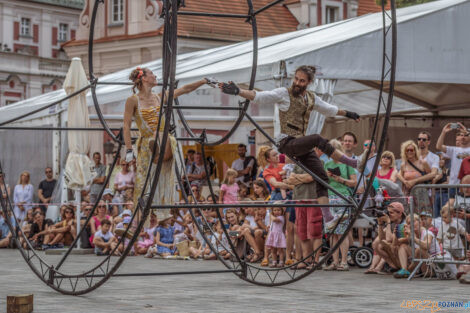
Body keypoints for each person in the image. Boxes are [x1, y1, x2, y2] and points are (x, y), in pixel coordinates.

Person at [219, 65, 361, 205]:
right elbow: (260, 96)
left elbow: (330, 110)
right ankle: (351, 162)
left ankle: (328, 216)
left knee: (322, 176)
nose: (297, 83)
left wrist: (349, 114)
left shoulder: (312, 98)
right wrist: (239, 91)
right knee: (317, 138)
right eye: (296, 79)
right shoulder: (284, 93)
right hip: (286, 142)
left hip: (300, 144)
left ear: (309, 83)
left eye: (302, 81)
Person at [123, 67, 212, 208]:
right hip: (146, 144)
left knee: (161, 137)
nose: (155, 75)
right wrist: (129, 149)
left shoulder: (159, 97)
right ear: (144, 78)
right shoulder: (133, 100)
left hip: (165, 142)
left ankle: (157, 143)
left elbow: (185, 89)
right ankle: (140, 217)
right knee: (143, 183)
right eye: (152, 73)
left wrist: (203, 81)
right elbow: (126, 126)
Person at [323, 139, 357, 271]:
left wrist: (340, 179)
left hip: (343, 196)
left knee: (342, 231)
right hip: (330, 197)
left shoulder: (347, 164)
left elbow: (354, 182)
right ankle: (335, 261)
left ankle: (344, 261)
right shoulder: (327, 164)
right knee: (332, 231)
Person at [284, 164, 323, 269]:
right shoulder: (297, 164)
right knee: (302, 231)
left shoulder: (315, 161)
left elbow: (311, 177)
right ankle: (306, 260)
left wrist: (298, 178)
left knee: (315, 231)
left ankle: (316, 261)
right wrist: (303, 178)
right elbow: (290, 180)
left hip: (313, 199)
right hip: (299, 199)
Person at [393, 214, 438, 279]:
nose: (411, 224)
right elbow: (395, 244)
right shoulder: (411, 234)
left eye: (413, 222)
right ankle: (404, 269)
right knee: (403, 246)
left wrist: (413, 238)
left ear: (420, 223)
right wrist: (395, 234)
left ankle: (409, 270)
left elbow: (426, 246)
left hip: (433, 263)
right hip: (421, 262)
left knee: (419, 250)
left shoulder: (427, 233)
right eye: (408, 223)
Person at [436, 123, 470, 198]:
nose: (463, 137)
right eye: (461, 135)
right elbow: (439, 146)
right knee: (452, 208)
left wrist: (466, 130)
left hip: (468, 186)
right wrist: (443, 132)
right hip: (454, 185)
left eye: (466, 135)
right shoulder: (454, 150)